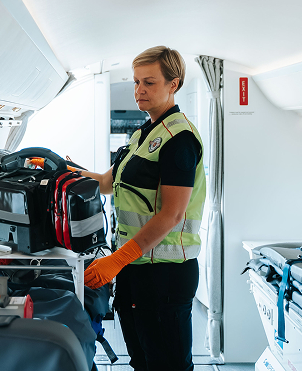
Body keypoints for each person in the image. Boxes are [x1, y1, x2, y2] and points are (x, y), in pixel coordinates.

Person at [80, 46, 206, 371]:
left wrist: (116, 260)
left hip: (165, 274)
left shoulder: (179, 139)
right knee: (142, 362)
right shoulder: (141, 134)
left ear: (173, 84)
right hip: (135, 267)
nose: (139, 91)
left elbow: (173, 214)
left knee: (168, 366)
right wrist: (63, 171)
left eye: (149, 82)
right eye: (136, 82)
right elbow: (108, 182)